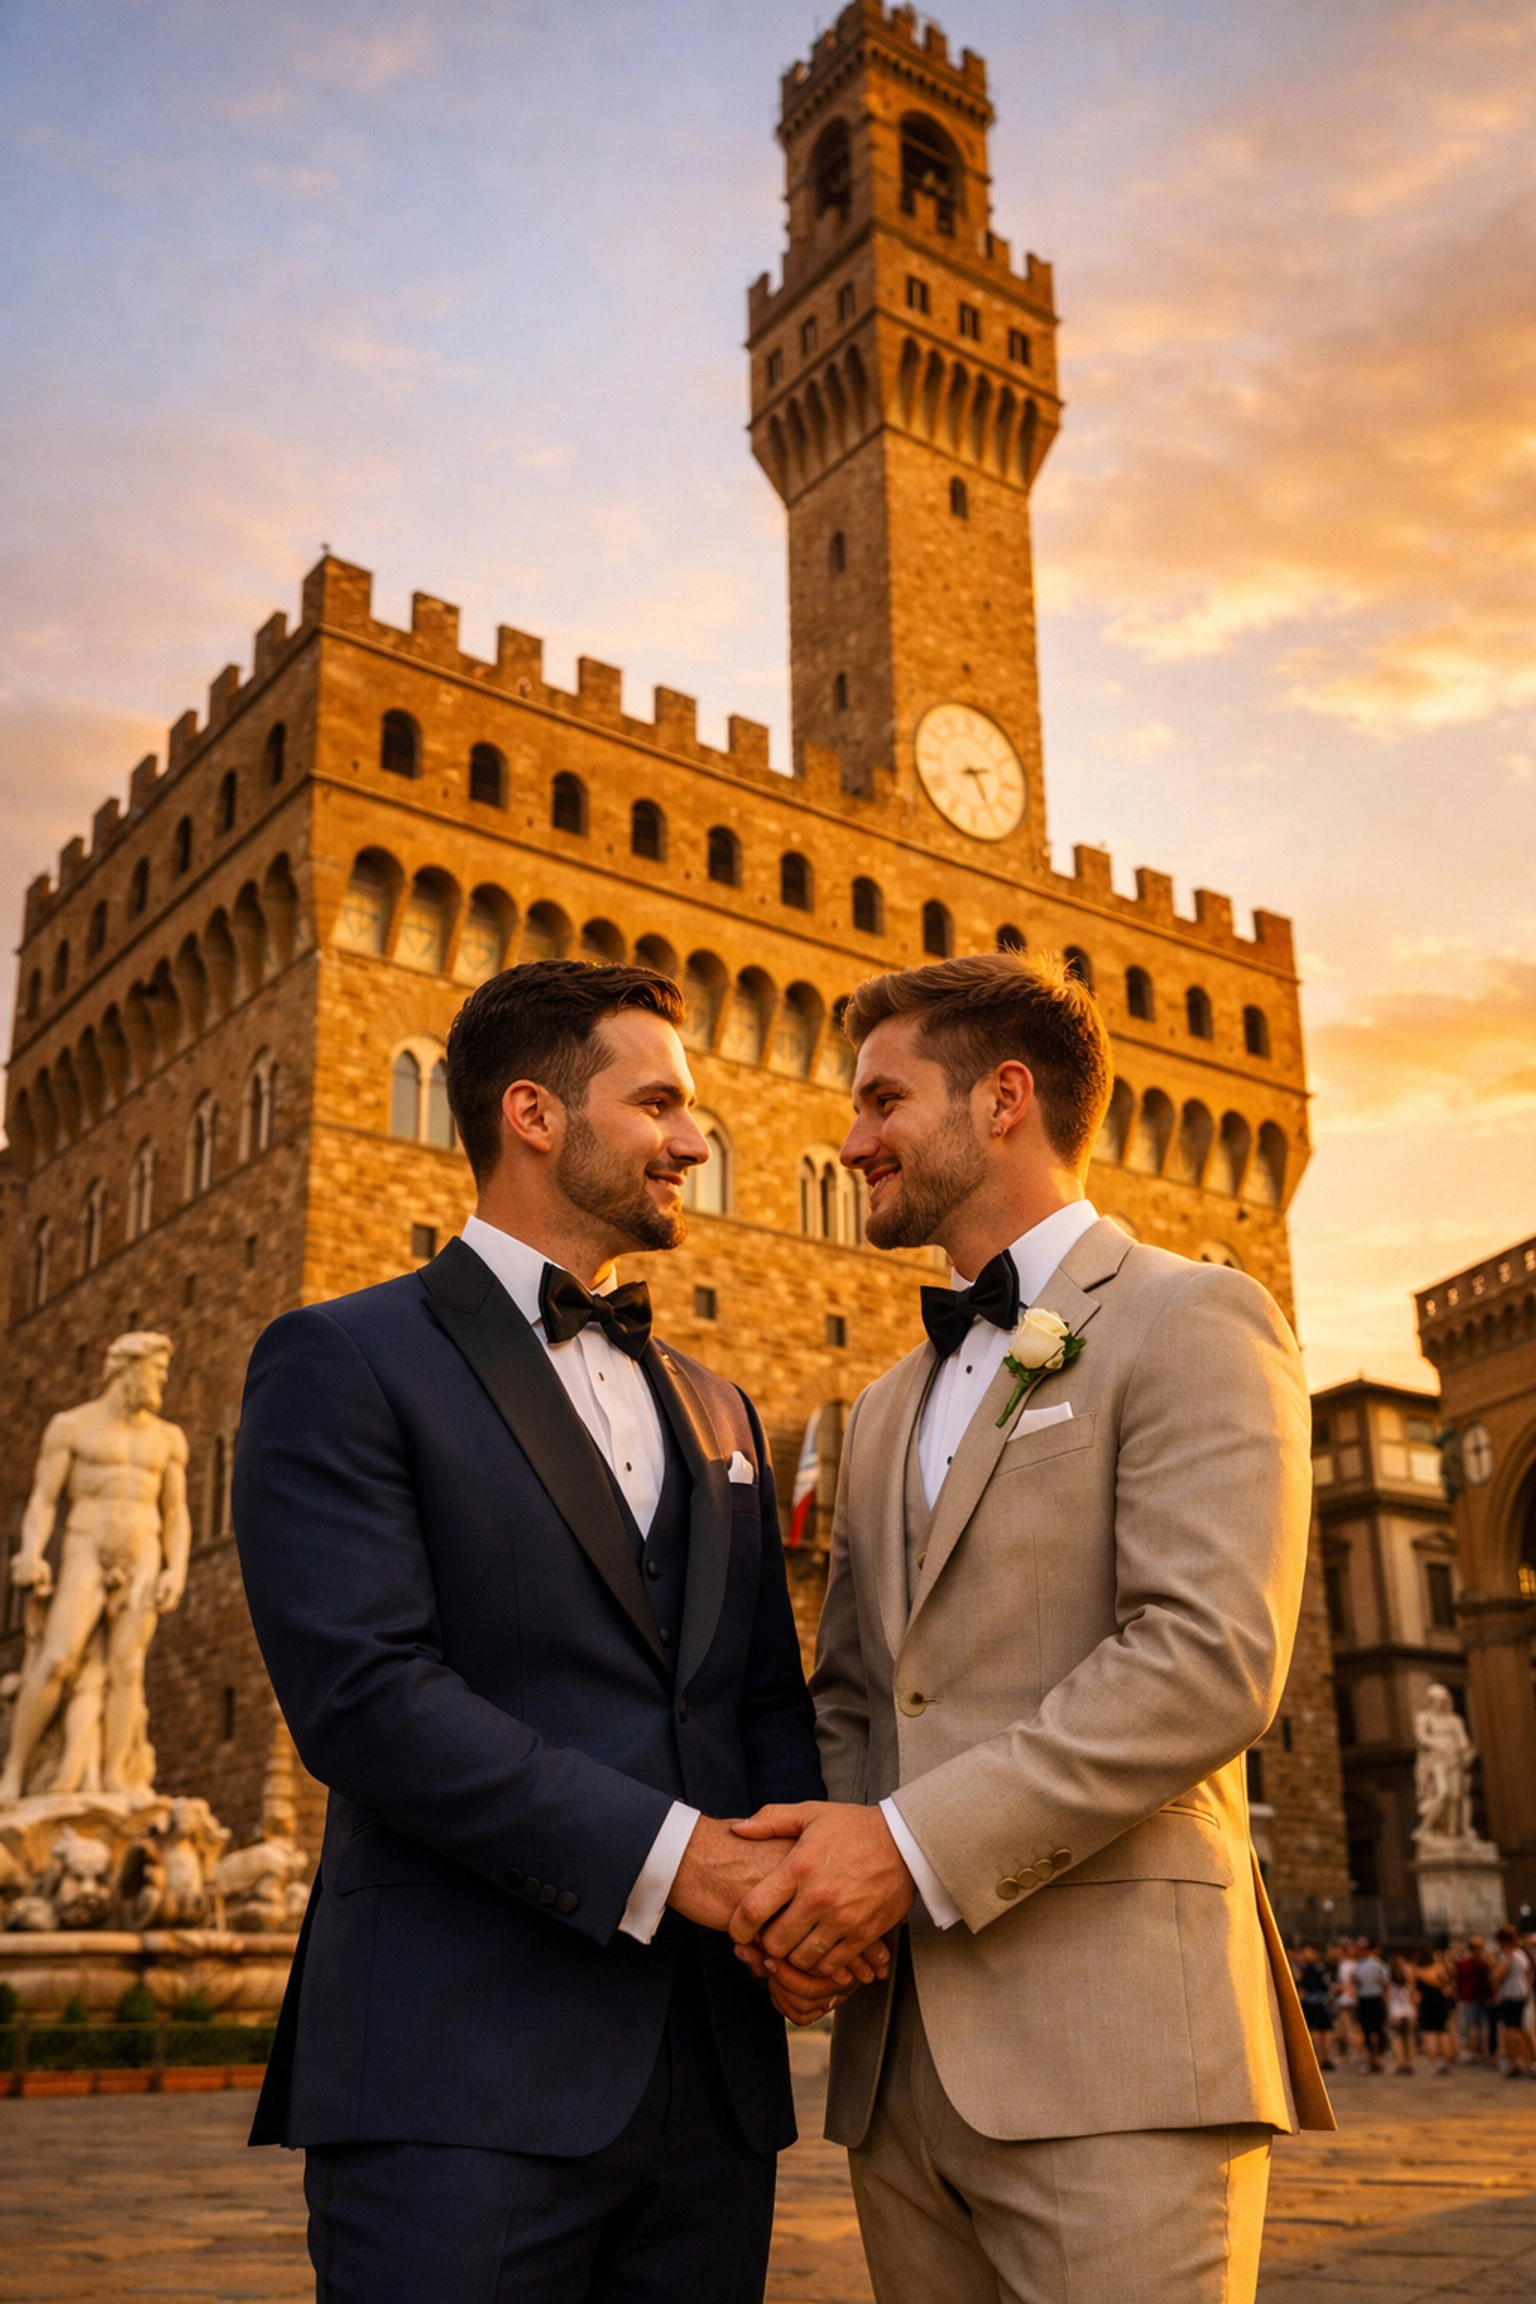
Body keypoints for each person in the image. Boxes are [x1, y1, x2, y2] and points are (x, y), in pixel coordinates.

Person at [233, 960, 846, 2304]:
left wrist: (796, 1903)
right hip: (458, 2080)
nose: (695, 1141)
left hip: (711, 2090)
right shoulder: (341, 1358)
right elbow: (369, 1699)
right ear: (534, 1114)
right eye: (661, 1104)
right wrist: (683, 1860)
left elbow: (754, 1700)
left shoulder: (722, 1406)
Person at [727, 953, 1333, 2304]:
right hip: (898, 2074)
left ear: (1003, 1100)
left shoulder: (1195, 1318)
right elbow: (856, 1697)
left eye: (883, 1100)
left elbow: (1205, 1661)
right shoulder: (883, 1404)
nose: (850, 1138)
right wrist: (812, 1898)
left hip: (1122, 2062)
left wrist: (898, 1849)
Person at [1491, 1924, 1533, 2076]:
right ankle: (1525, 2063)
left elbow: (1497, 1976)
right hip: (1522, 1994)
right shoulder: (1521, 1954)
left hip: (1510, 1996)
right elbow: (1529, 1973)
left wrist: (1496, 1991)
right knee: (1521, 2029)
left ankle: (1516, 2063)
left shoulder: (1507, 1955)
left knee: (1511, 2031)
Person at [1410, 1946, 1457, 2074]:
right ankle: (1446, 2061)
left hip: (1426, 2001)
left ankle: (1434, 2062)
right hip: (1440, 2000)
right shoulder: (1438, 1967)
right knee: (1442, 2031)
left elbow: (1413, 1989)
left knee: (1428, 2033)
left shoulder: (1416, 1970)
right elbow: (1447, 1982)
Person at [1295, 1946, 1336, 2071]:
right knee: (1319, 2032)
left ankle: (1322, 2058)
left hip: (1315, 2002)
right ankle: (1323, 2058)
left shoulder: (1312, 1969)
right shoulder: (1315, 1969)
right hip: (1316, 2002)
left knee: (1319, 2031)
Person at [1457, 1935, 1495, 2062]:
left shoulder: (1483, 1962)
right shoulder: (1466, 1963)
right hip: (1472, 1998)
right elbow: (1459, 1981)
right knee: (1474, 2026)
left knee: (1483, 2027)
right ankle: (1476, 2053)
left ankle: (1484, 2053)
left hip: (1483, 1997)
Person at [1354, 1942, 1390, 2073]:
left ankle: (1376, 2057)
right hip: (1367, 1998)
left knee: (1374, 2029)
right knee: (1369, 2029)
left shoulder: (1375, 1963)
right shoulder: (1361, 1964)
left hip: (1373, 1998)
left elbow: (1385, 1982)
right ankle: (1372, 2057)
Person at [1386, 1956, 1418, 2075]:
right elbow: (1413, 1992)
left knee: (1397, 2037)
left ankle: (1400, 2062)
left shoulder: (1390, 1977)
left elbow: (1387, 1995)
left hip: (1396, 2010)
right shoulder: (1410, 1976)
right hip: (1409, 2010)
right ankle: (1409, 2062)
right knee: (1409, 2037)